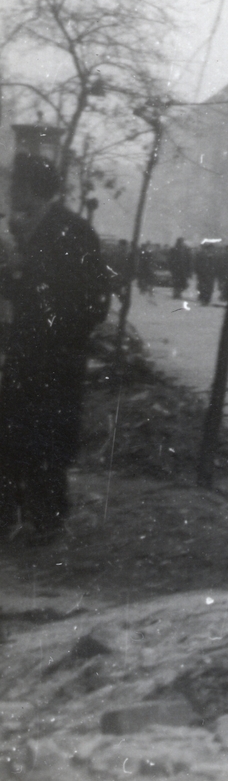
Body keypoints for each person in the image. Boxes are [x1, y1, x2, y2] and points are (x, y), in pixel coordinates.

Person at [0, 154, 110, 543]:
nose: (9, 190)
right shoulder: (27, 227)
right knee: (15, 434)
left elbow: (93, 299)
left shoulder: (72, 230)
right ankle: (18, 518)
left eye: (14, 183)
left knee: (47, 438)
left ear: (31, 187)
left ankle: (46, 522)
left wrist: (55, 337)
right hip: (26, 355)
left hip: (55, 358)